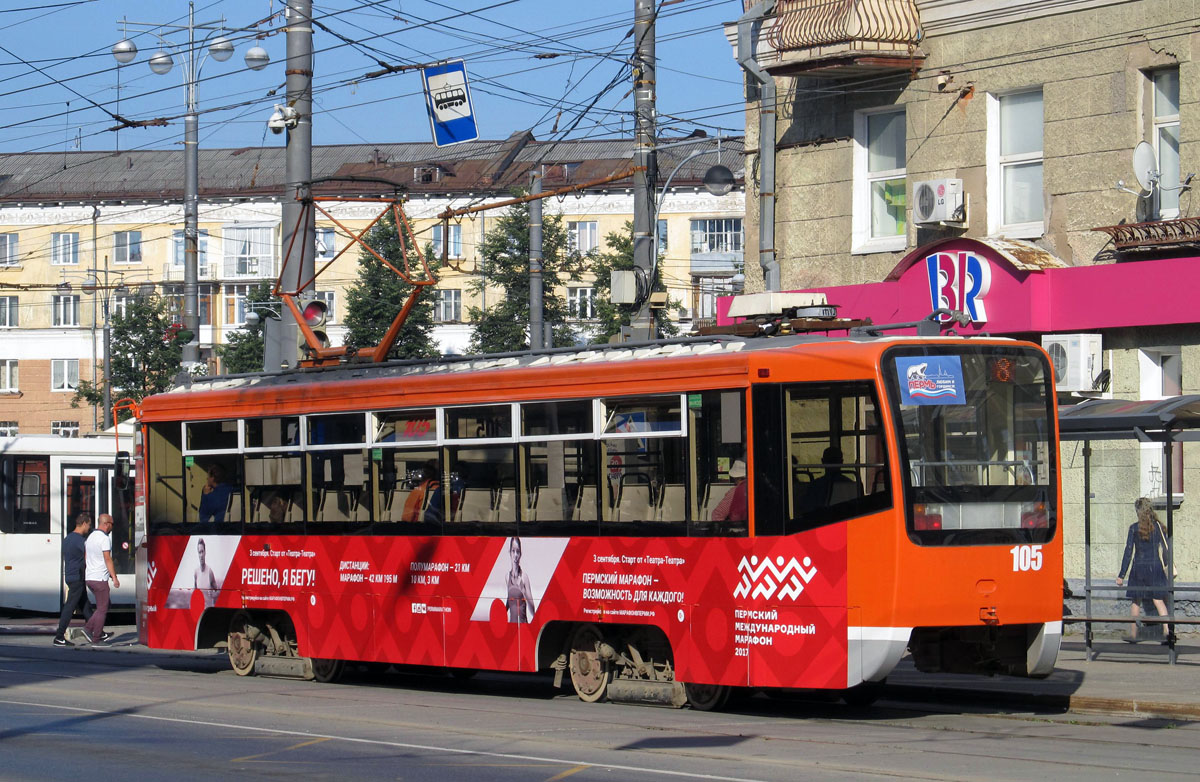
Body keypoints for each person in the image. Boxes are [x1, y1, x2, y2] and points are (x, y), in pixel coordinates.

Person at [1116, 497, 1175, 642]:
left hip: (1139, 568)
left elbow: (1128, 552)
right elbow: (1166, 549)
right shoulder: (1158, 527)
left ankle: (1134, 634)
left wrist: (1121, 575)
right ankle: (1167, 632)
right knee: (1159, 600)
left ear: (1138, 511)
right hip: (1155, 566)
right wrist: (1168, 568)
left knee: (1136, 601)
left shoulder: (1134, 528)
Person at [53, 513, 94, 646]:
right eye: (89, 525)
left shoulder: (67, 538)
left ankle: (97, 632)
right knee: (70, 606)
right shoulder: (80, 540)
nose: (89, 528)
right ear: (84, 523)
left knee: (85, 605)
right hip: (77, 576)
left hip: (70, 575)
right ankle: (59, 636)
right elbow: (88, 556)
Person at [82, 513, 120, 645]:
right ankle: (96, 638)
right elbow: (107, 558)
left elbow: (86, 557)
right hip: (100, 579)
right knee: (102, 609)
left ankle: (89, 629)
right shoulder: (104, 539)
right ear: (106, 524)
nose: (112, 527)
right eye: (112, 524)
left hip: (90, 577)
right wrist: (114, 577)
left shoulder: (90, 537)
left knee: (105, 604)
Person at [800, 446, 858, 513]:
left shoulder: (815, 485)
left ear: (823, 461)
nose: (832, 465)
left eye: (834, 461)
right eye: (830, 461)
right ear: (841, 462)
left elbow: (807, 509)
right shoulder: (851, 485)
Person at [505, 536, 535, 623]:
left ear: (520, 554)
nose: (515, 555)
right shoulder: (507, 577)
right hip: (511, 626)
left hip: (523, 627)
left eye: (517, 551)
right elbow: (510, 598)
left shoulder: (524, 577)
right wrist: (502, 611)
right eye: (513, 551)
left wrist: (524, 592)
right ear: (510, 553)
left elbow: (532, 611)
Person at [193, 538, 221, 608]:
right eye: (199, 552)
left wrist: (214, 594)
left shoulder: (209, 571)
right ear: (198, 554)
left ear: (205, 552)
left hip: (209, 611)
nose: (201, 555)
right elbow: (194, 594)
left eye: (202, 551)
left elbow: (218, 592)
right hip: (200, 610)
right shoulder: (196, 572)